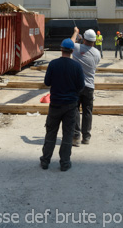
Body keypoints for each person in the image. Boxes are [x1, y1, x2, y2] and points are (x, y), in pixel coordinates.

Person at [40, 38, 85, 171]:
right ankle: (64, 163)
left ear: (61, 49)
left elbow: (47, 82)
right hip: (70, 106)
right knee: (68, 134)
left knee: (51, 133)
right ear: (72, 51)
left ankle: (45, 161)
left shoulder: (53, 64)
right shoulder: (76, 66)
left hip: (55, 105)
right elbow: (81, 86)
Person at [71, 27, 101, 146]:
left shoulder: (77, 48)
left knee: (75, 110)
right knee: (88, 111)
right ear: (94, 41)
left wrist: (75, 33)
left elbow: (69, 43)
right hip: (89, 86)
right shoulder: (97, 53)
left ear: (84, 39)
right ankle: (86, 137)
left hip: (77, 86)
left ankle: (76, 137)